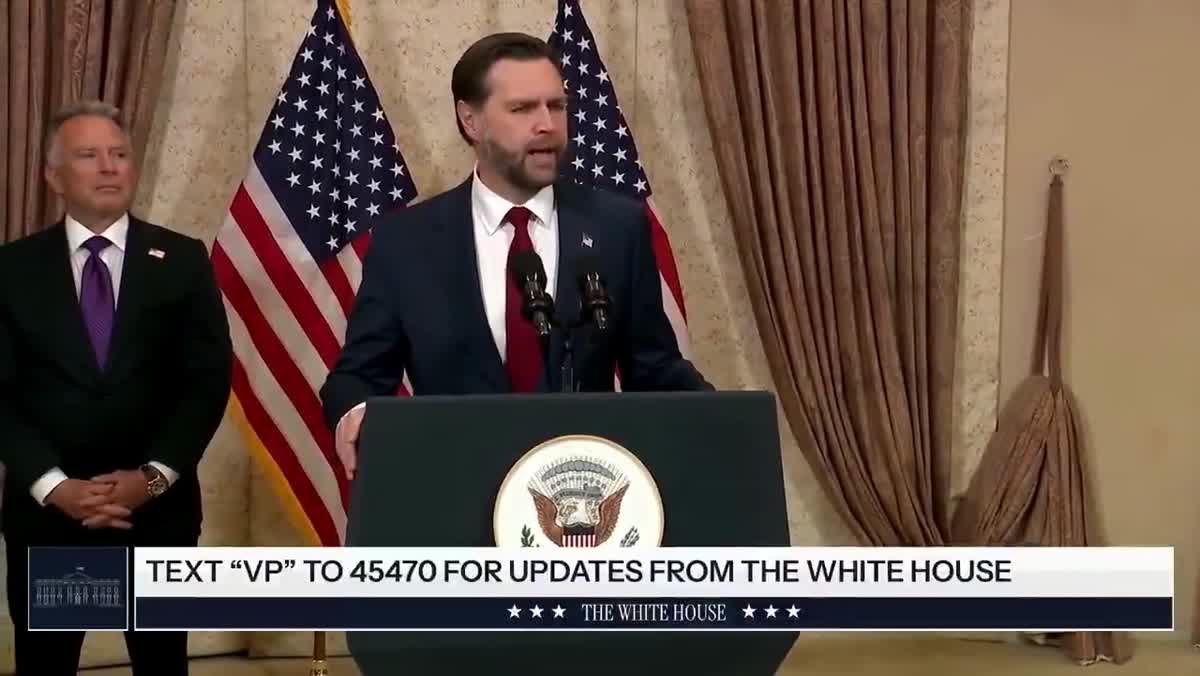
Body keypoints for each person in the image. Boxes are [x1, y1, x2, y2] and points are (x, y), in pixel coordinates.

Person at [320, 32, 711, 478]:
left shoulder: (616, 228)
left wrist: (724, 419)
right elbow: (359, 375)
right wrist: (353, 411)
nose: (548, 124)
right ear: (471, 121)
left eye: (557, 106)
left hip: (577, 490)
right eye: (523, 109)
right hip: (456, 487)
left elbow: (654, 368)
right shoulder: (405, 243)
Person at [0, 101, 233, 675]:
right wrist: (56, 487)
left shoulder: (182, 259)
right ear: (53, 176)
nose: (109, 167)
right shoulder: (11, 270)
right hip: (51, 520)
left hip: (156, 516)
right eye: (89, 155)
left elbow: (206, 383)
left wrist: (152, 479)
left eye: (119, 154)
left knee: (161, 664)